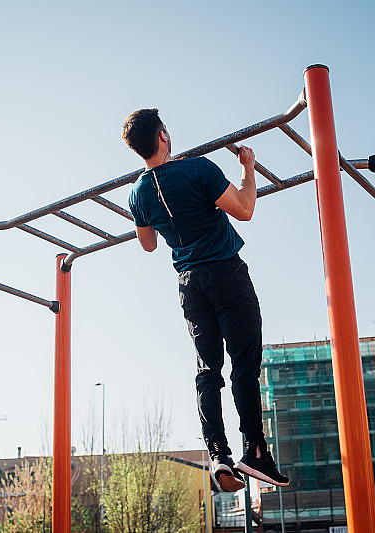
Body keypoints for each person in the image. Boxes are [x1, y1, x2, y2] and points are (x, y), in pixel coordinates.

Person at [123, 108, 289, 492]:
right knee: (244, 364)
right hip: (226, 274)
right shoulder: (198, 169)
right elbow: (245, 209)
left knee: (207, 369)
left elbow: (148, 245)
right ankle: (255, 451)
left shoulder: (138, 193)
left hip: (189, 285)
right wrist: (249, 168)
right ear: (163, 136)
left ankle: (218, 454)